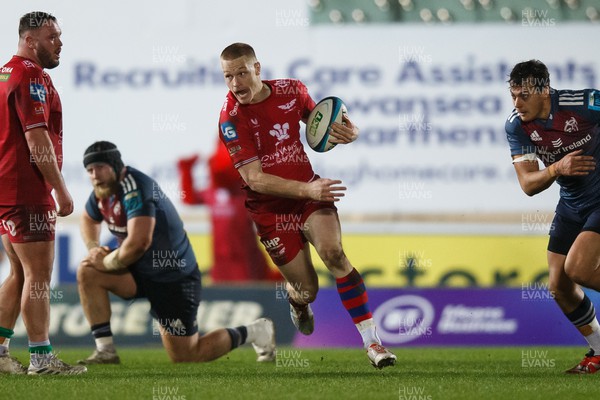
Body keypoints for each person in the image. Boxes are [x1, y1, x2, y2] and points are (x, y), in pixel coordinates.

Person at [218, 43, 396, 369]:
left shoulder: (292, 90)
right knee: (308, 290)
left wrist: (350, 131)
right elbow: (254, 180)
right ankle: (297, 302)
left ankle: (373, 343)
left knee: (334, 253)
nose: (235, 83)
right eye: (228, 76)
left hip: (309, 199)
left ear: (257, 69)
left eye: (241, 73)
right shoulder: (231, 119)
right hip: (270, 211)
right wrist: (307, 189)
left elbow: (322, 124)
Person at [77, 141, 275, 365]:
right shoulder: (104, 189)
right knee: (88, 270)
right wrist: (94, 249)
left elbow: (139, 243)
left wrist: (107, 262)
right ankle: (106, 351)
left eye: (100, 167)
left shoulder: (135, 187)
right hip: (139, 270)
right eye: (90, 170)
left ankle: (256, 331)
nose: (94, 175)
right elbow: (87, 217)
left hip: (173, 277)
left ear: (115, 165)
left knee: (187, 355)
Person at [0, 12, 85, 375]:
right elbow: (37, 140)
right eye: (52, 37)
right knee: (38, 275)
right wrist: (61, 191)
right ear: (30, 40)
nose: (60, 43)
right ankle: (41, 358)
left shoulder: (6, 72)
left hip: (7, 188)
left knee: (19, 272)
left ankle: (1, 353)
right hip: (27, 190)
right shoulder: (31, 75)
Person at [506, 59, 600, 374]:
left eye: (524, 96)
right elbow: (528, 185)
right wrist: (557, 168)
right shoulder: (517, 126)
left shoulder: (584, 103)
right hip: (572, 204)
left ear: (545, 90)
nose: (517, 103)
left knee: (579, 268)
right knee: (558, 284)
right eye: (513, 95)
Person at [178, 138, 280, 282]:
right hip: (221, 263)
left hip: (246, 261)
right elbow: (188, 199)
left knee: (250, 294)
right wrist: (186, 170)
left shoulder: (246, 191)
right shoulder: (211, 192)